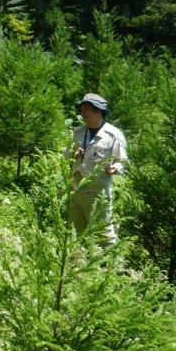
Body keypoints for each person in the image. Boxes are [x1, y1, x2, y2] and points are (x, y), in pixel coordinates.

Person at [69, 93, 127, 247]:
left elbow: (122, 162)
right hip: (75, 190)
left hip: (97, 194)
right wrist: (72, 155)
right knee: (74, 233)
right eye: (82, 109)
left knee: (104, 235)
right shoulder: (78, 132)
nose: (83, 113)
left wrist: (115, 168)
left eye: (87, 109)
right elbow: (66, 156)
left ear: (99, 111)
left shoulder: (114, 135)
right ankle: (78, 266)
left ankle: (110, 268)